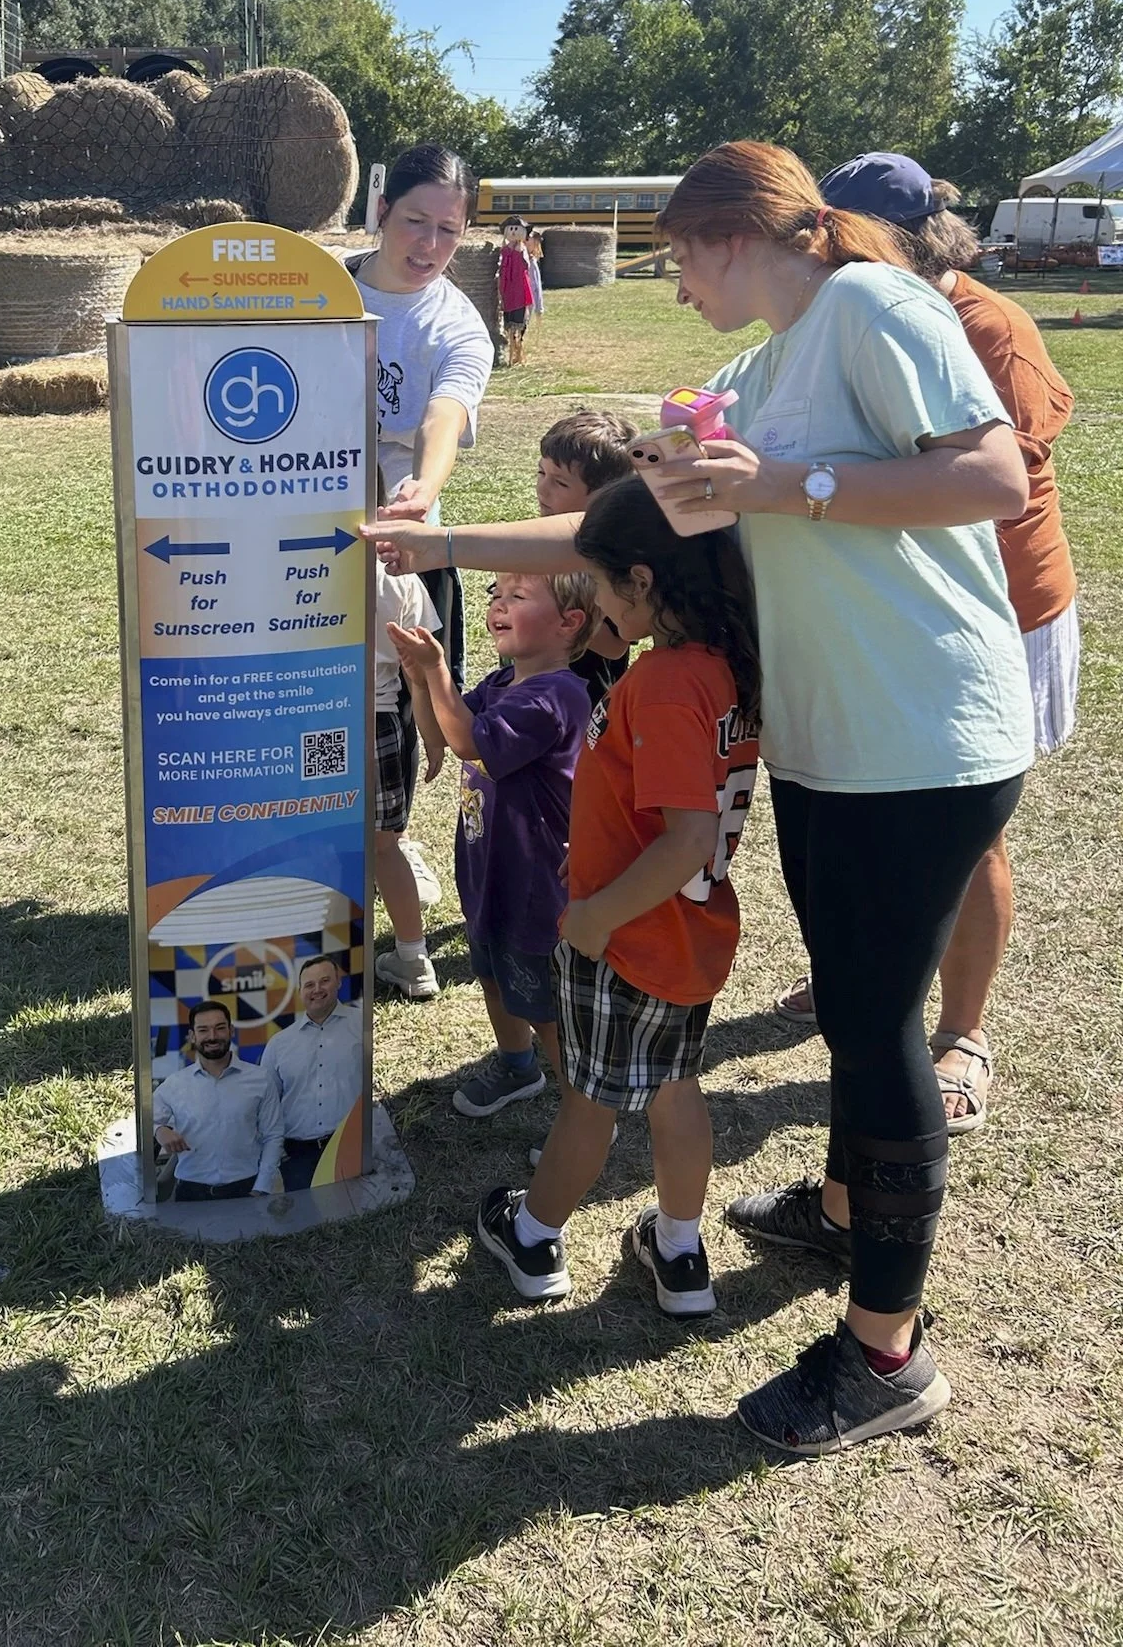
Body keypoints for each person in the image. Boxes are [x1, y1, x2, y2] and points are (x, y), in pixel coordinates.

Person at [367, 140, 1034, 1454]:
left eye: (677, 254)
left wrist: (786, 488)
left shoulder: (872, 307)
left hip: (926, 732)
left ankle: (884, 1353)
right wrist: (443, 544)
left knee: (875, 1030)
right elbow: (621, 527)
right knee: (855, 1007)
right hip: (836, 743)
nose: (672, 285)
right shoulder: (751, 371)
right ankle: (848, 1216)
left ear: (735, 234)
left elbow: (993, 476)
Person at [772, 154, 1078, 1139]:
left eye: (843, 231)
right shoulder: (850, 311)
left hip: (1006, 609)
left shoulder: (984, 325)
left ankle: (964, 1031)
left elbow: (998, 474)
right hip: (903, 611)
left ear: (908, 235)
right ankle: (881, 978)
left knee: (967, 823)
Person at [472, 478, 761, 1314]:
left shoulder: (669, 682)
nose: (595, 610)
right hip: (687, 936)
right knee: (676, 1091)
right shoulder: (724, 664)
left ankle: (531, 1235)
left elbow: (686, 836)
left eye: (599, 586)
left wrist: (595, 917)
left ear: (642, 580)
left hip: (631, 935)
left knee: (589, 1103)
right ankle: (678, 1254)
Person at [390, 570, 595, 1118]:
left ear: (568, 623)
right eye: (495, 594)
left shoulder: (555, 696)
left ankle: (586, 1117)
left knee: (544, 1006)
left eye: (518, 596)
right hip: (489, 869)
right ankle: (516, 1065)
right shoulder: (504, 683)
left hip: (535, 883)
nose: (499, 604)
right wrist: (417, 677)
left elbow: (469, 741)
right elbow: (442, 731)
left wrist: (436, 668)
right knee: (491, 973)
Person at [349, 143, 495, 691]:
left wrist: (422, 491)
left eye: (449, 230)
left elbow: (445, 414)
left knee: (405, 696)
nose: (430, 245)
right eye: (415, 221)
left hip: (401, 530)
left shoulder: (458, 327)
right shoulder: (318, 290)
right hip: (304, 513)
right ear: (383, 210)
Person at [371, 552, 447, 1000]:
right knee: (385, 847)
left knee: (320, 839)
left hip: (312, 716)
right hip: (382, 723)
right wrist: (430, 732)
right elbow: (419, 668)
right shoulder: (399, 578)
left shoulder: (291, 558)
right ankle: (414, 957)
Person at [535, 409, 638, 707]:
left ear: (604, 495)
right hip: (529, 694)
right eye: (541, 473)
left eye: (560, 482)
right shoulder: (534, 543)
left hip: (586, 706)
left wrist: (549, 604)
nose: (543, 488)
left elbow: (615, 646)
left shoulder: (612, 555)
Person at [153, 1003, 283, 1201]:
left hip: (246, 1191)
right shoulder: (175, 1084)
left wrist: (261, 1187)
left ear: (231, 1031)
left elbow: (273, 1135)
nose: (212, 1036)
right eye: (203, 1030)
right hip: (190, 1195)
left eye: (219, 1028)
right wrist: (159, 1130)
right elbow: (144, 1120)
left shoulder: (261, 1079)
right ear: (192, 1036)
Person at [260, 957, 365, 1190]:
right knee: (309, 1225)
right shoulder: (279, 1044)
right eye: (309, 985)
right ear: (300, 992)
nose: (316, 989)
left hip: (352, 1145)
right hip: (298, 1157)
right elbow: (266, 1106)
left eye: (324, 981)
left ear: (338, 982)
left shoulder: (364, 1025)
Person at [498, 216, 534, 368]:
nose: (513, 232)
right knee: (508, 322)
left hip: (519, 288)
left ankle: (518, 353)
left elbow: (527, 267)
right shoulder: (504, 250)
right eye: (510, 229)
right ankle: (511, 353)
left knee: (519, 322)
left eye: (516, 229)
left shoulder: (522, 250)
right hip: (507, 289)